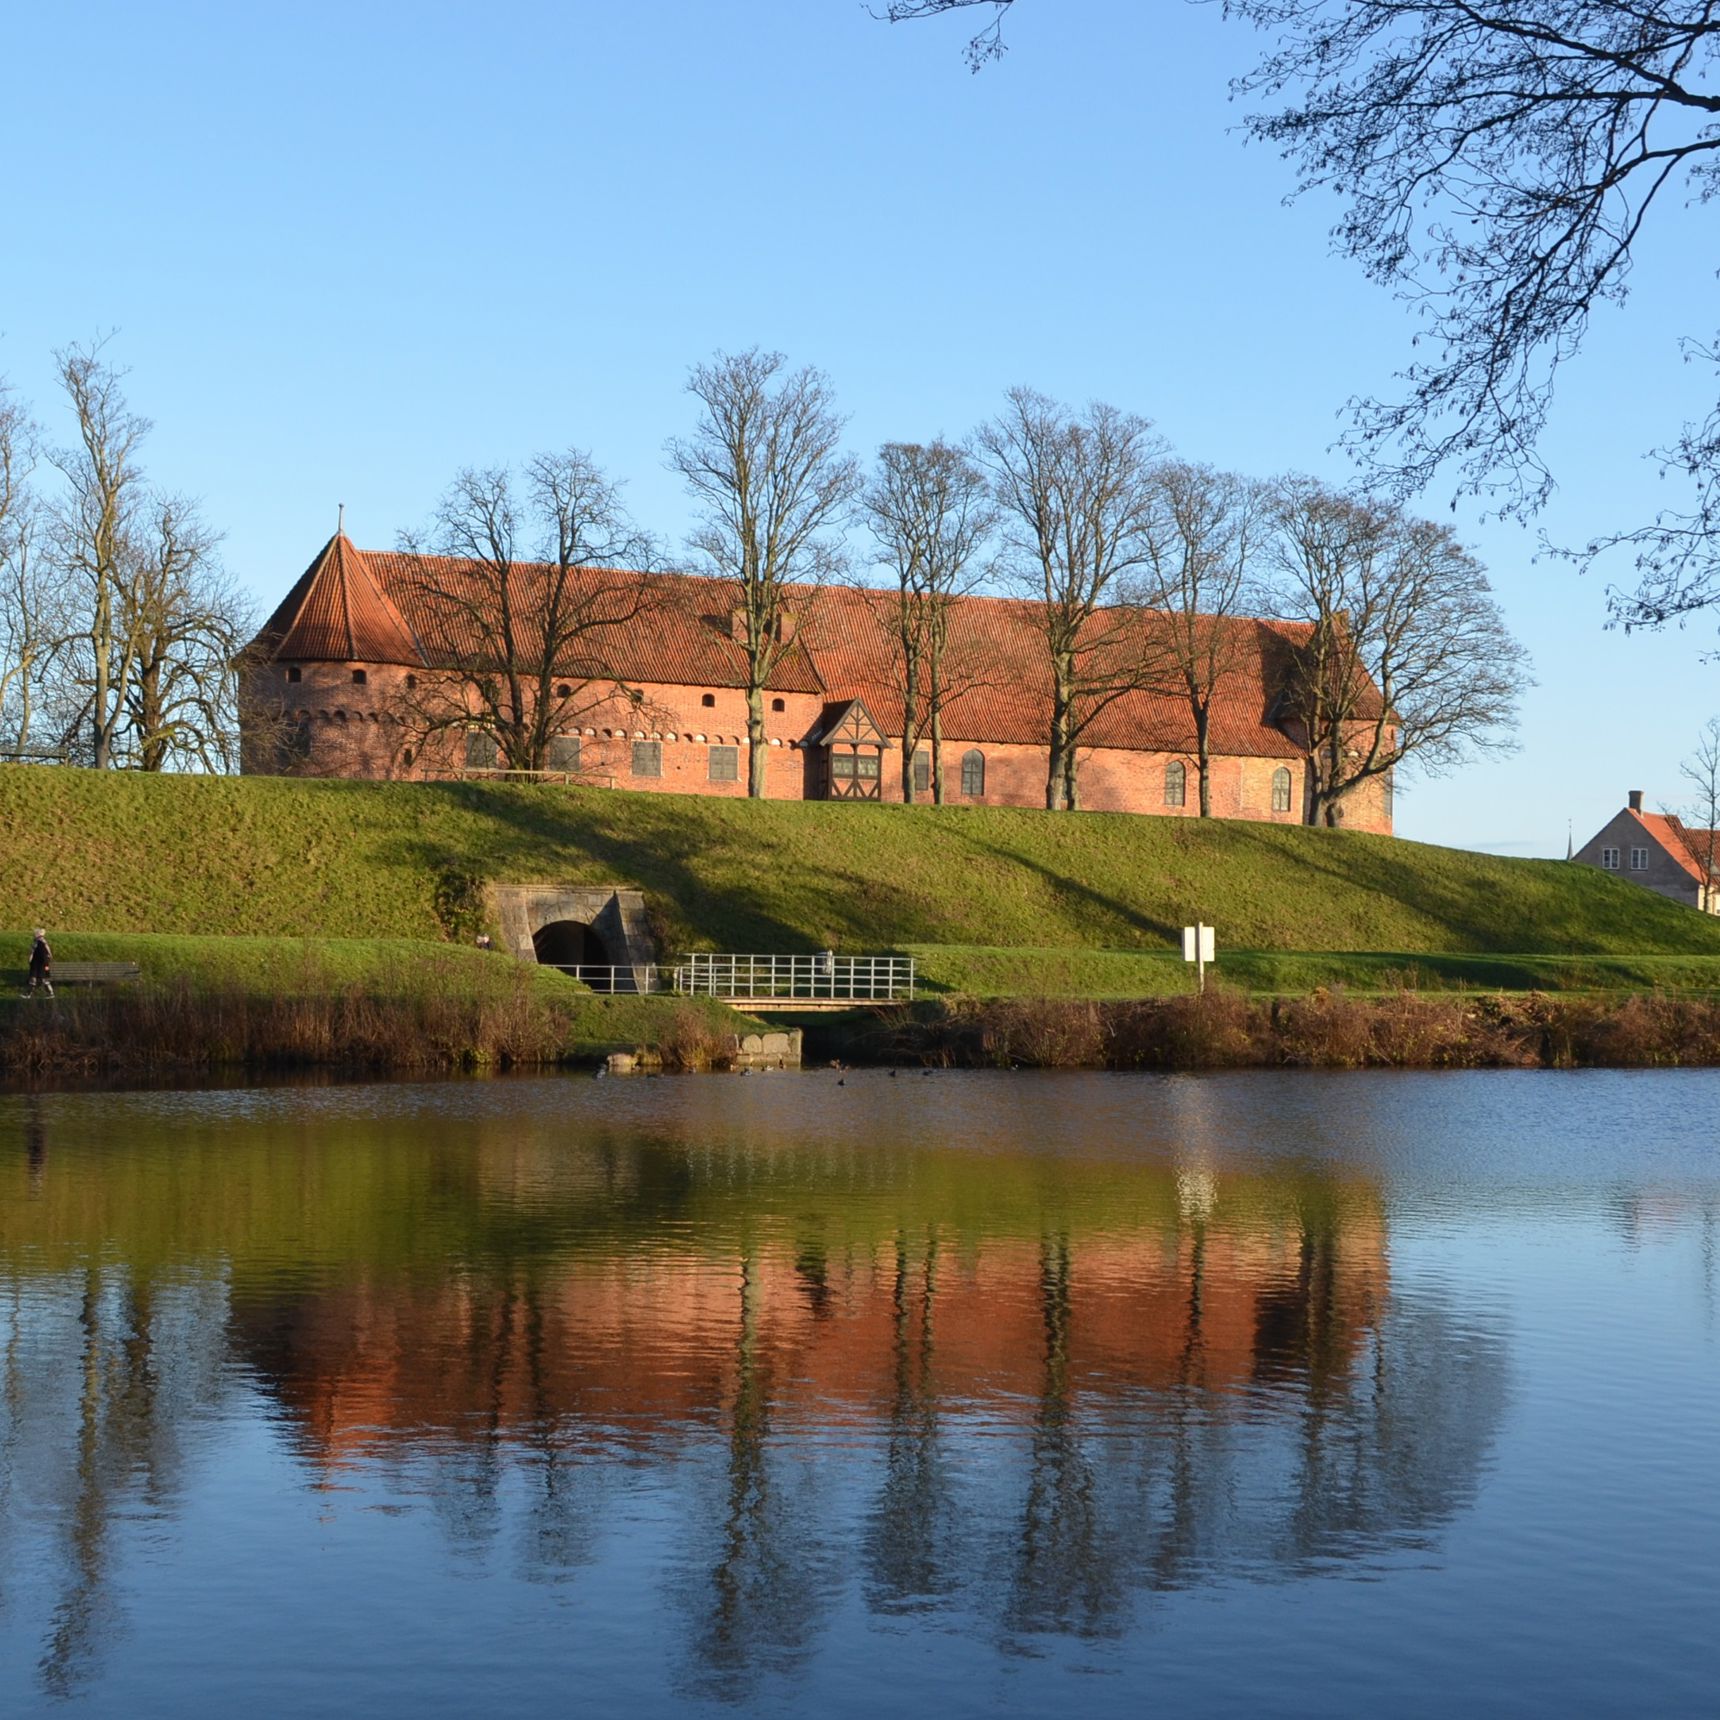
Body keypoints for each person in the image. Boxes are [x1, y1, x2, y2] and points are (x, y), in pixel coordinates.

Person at [27, 928, 52, 998]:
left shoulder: (37, 942)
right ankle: (50, 993)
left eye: (35, 934)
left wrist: (30, 960)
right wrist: (49, 956)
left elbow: (31, 952)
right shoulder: (43, 942)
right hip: (42, 963)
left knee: (36, 977)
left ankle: (29, 994)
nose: (34, 935)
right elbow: (48, 951)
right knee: (38, 978)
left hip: (38, 963)